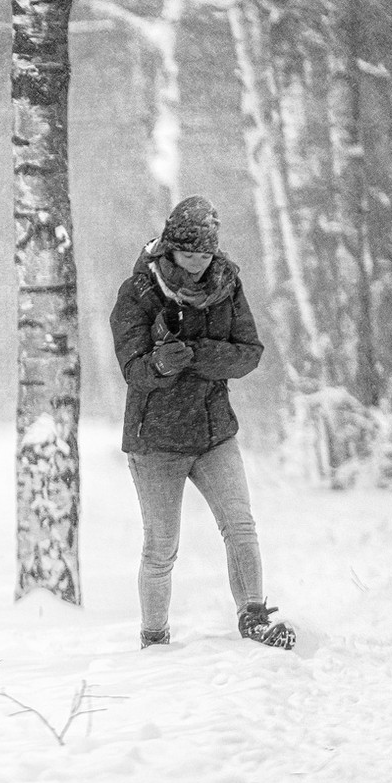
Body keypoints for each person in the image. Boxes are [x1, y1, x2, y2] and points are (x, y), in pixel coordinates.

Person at [110, 195, 295, 650]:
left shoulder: (228, 285)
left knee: (241, 526)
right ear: (169, 248)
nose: (197, 265)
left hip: (214, 433)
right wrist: (160, 365)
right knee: (161, 549)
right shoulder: (137, 292)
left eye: (205, 255)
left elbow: (249, 352)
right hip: (155, 440)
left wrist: (201, 357)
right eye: (188, 255)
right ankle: (154, 637)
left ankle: (254, 615)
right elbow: (132, 369)